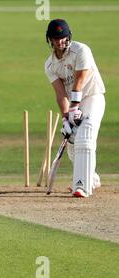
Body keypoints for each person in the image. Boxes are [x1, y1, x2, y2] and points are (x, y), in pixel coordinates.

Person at [44, 19, 105, 198]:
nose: (59, 41)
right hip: (72, 104)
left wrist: (74, 108)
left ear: (68, 36)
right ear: (50, 39)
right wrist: (65, 118)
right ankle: (91, 178)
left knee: (85, 134)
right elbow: (60, 93)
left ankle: (82, 187)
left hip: (92, 96)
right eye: (56, 38)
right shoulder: (49, 64)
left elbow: (80, 80)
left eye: (62, 37)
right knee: (72, 142)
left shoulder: (81, 50)